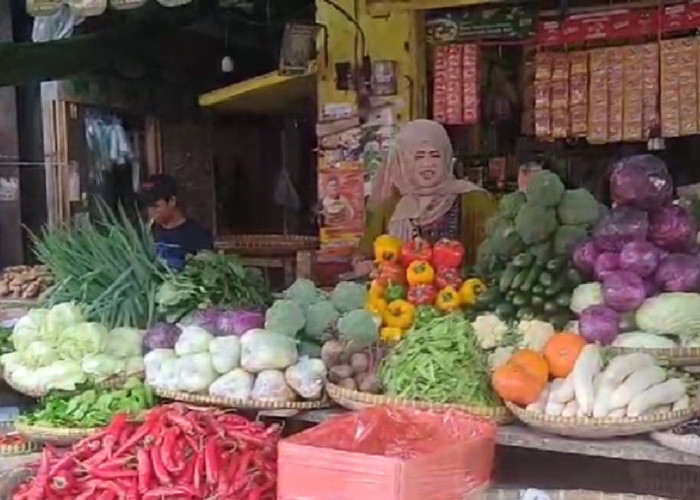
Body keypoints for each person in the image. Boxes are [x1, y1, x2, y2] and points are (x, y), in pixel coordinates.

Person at [355, 119, 496, 273]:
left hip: (460, 294)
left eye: (435, 155)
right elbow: (365, 255)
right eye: (419, 157)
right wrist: (364, 264)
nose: (428, 164)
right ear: (403, 162)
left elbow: (495, 256)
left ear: (447, 157)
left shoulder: (474, 200)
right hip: (401, 294)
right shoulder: (391, 207)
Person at [139, 174, 213, 270]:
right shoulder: (149, 235)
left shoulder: (197, 236)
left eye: (155, 206)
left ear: (172, 201)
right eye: (148, 206)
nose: (151, 212)